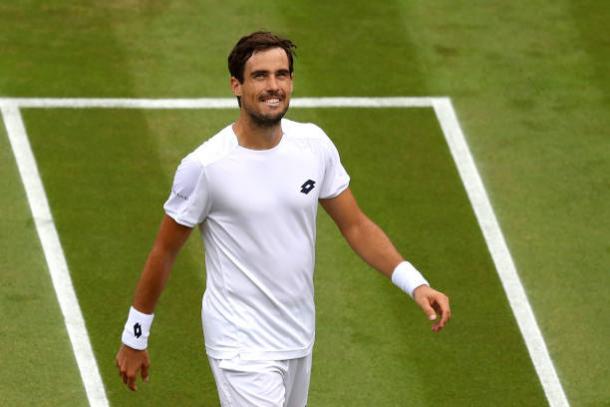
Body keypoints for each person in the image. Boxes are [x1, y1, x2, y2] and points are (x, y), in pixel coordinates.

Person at [115, 31, 451, 406]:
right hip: (241, 345)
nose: (273, 86)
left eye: (281, 74)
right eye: (260, 76)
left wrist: (416, 284)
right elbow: (165, 251)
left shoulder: (314, 146)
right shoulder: (205, 167)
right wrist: (135, 335)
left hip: (298, 336)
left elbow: (356, 225)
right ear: (236, 86)